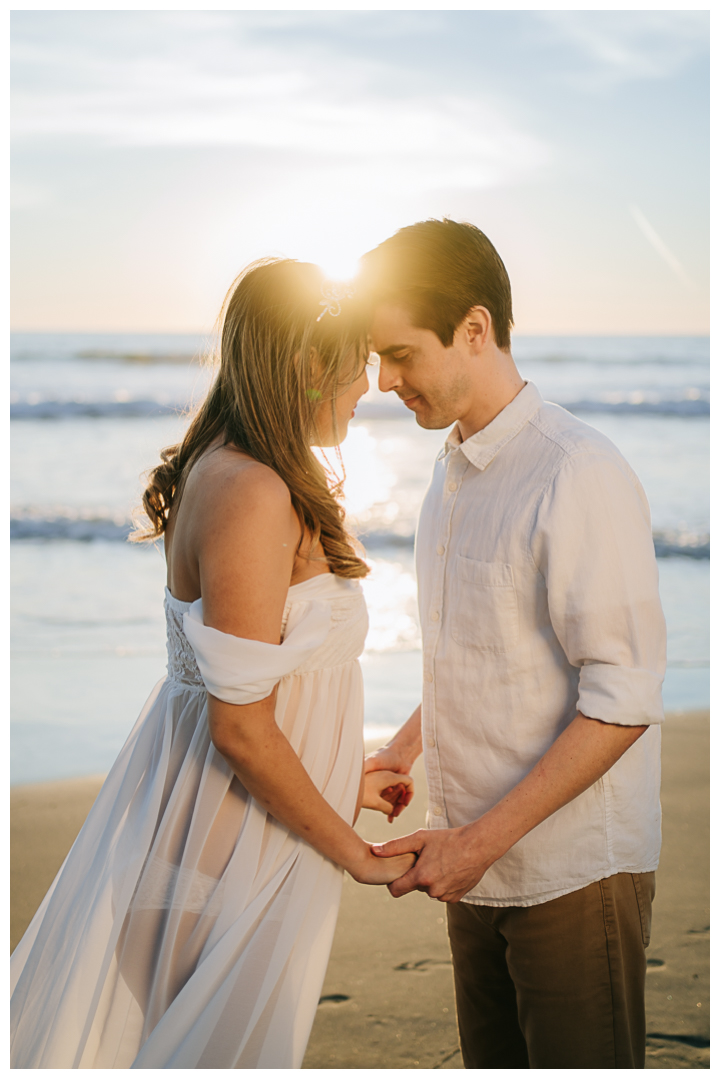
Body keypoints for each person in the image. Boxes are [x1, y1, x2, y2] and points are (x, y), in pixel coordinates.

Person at [10, 258, 416, 1069]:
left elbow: (244, 699)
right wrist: (355, 854)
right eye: (356, 365)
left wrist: (342, 780)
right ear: (306, 366)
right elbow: (238, 728)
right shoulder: (253, 492)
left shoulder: (230, 471)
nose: (367, 388)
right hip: (225, 869)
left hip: (208, 849)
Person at [360, 219, 666, 1069]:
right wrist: (402, 749)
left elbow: (624, 698)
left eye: (399, 354)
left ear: (474, 329)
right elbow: (478, 650)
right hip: (469, 859)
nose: (383, 381)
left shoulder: (577, 471)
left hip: (569, 874)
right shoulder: (450, 467)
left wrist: (476, 844)